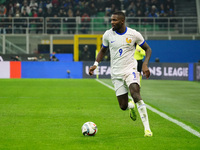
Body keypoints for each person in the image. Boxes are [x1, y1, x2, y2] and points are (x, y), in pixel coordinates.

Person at [89, 12, 153, 137]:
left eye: (114, 20)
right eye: (111, 20)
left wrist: (145, 64)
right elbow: (103, 50)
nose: (112, 22)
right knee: (123, 106)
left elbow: (148, 49)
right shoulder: (108, 34)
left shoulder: (134, 34)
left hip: (131, 70)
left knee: (136, 93)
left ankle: (147, 129)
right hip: (116, 73)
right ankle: (130, 106)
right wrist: (95, 64)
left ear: (122, 21)